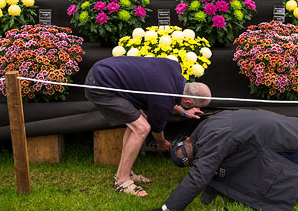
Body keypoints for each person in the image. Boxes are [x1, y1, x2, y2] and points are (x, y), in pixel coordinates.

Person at [137, 109, 298, 211]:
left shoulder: (211, 145)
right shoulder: (204, 128)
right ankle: (297, 163)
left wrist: (166, 209)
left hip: (280, 142)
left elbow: (198, 178)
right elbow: (207, 170)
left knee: (273, 181)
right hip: (281, 126)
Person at [84, 55, 212, 197]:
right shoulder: (163, 99)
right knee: (142, 127)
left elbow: (168, 94)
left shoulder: (174, 67)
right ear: (188, 101)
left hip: (104, 68)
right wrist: (162, 142)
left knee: (136, 124)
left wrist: (184, 111)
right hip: (99, 85)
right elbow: (157, 128)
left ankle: (123, 173)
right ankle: (122, 182)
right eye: (191, 105)